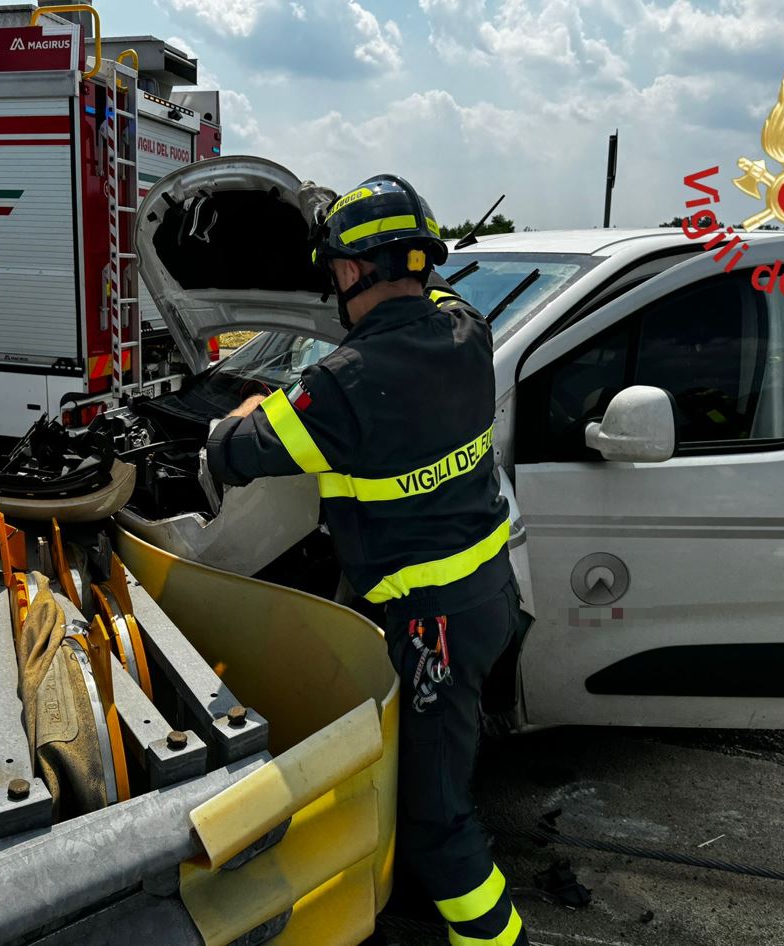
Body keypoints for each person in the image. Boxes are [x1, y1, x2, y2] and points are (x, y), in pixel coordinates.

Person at [204, 175, 531, 945]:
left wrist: (245, 410)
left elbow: (236, 450)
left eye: (335, 270)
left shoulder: (345, 385)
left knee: (437, 827)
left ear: (351, 272)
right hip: (490, 596)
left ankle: (493, 934)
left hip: (433, 631)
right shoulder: (468, 332)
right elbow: (436, 296)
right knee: (444, 762)